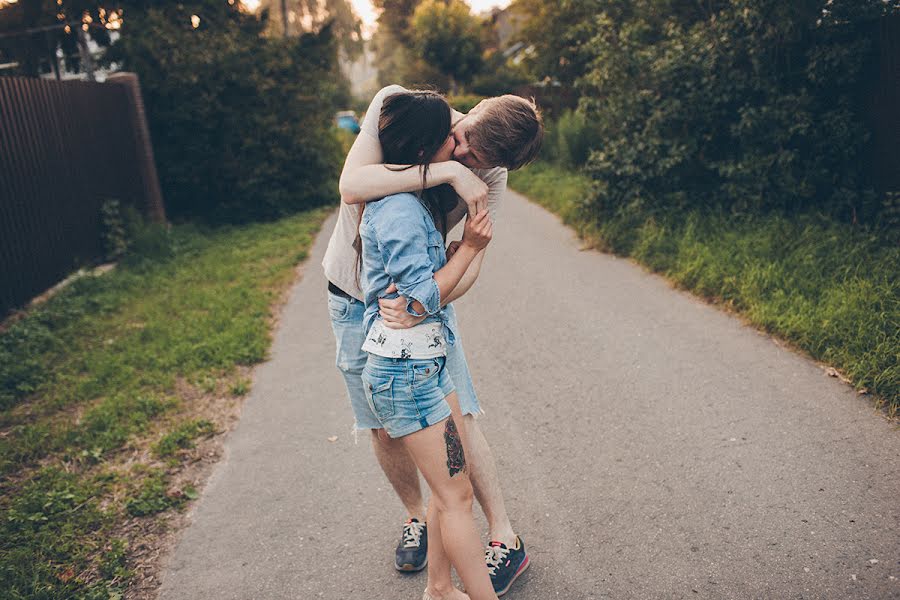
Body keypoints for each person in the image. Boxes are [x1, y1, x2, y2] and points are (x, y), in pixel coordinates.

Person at [322, 84, 542, 597]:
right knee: (385, 426)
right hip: (352, 294)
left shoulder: (491, 175)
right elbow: (352, 184)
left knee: (455, 419)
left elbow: (469, 268)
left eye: (476, 159)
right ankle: (418, 517)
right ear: (471, 113)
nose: (464, 155)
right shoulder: (406, 113)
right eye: (460, 140)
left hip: (421, 316)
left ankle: (497, 535)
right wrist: (446, 172)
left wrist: (430, 296)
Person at [359, 89, 496, 600]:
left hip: (424, 364)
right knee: (457, 495)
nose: (455, 145)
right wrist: (471, 251)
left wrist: (458, 255)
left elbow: (420, 293)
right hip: (405, 373)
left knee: (446, 492)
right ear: (422, 151)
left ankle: (441, 590)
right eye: (446, 136)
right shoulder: (397, 209)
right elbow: (419, 302)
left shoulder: (410, 200)